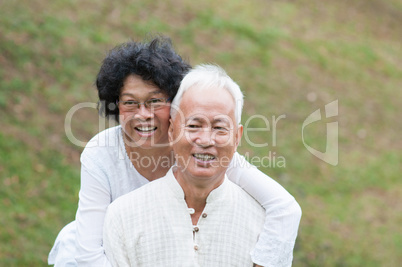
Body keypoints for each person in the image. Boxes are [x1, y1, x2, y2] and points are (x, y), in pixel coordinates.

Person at [48, 36, 301, 267]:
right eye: (130, 103)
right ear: (116, 106)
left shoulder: (199, 149)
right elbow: (89, 253)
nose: (143, 114)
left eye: (155, 101)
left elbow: (284, 208)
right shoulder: (100, 154)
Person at [103, 64, 266, 266]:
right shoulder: (123, 217)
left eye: (219, 127)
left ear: (237, 137)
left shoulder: (263, 223)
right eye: (194, 126)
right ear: (171, 131)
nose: (206, 140)